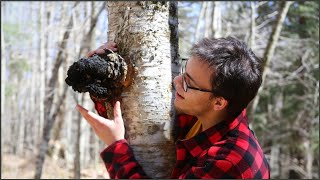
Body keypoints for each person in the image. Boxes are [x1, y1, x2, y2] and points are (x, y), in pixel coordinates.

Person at [76, 37, 270, 179]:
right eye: (184, 72)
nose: (177, 81)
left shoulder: (229, 162)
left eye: (188, 83)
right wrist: (102, 77)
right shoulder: (202, 117)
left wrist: (116, 146)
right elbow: (137, 123)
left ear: (218, 102)